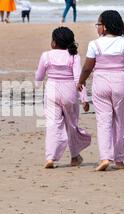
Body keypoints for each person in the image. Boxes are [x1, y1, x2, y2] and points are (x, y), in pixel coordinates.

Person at [77, 10, 124, 171]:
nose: (97, 27)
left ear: (105, 27)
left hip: (100, 83)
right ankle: (120, 160)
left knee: (103, 121)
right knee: (120, 121)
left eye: (99, 24)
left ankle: (105, 158)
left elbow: (88, 67)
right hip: (119, 82)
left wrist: (81, 82)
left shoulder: (94, 44)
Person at [35, 27, 91, 169]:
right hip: (70, 92)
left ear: (54, 42)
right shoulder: (74, 57)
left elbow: (39, 76)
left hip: (52, 91)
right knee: (71, 125)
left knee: (52, 124)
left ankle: (50, 157)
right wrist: (84, 98)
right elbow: (79, 79)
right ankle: (74, 157)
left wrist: (37, 86)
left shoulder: (46, 55)